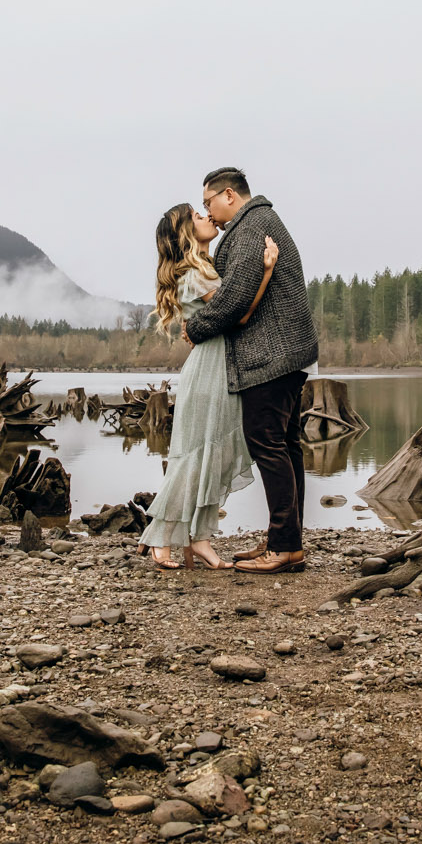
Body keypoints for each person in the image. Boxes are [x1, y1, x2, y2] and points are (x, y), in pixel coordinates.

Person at [180, 166, 319, 574]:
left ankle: (284, 545)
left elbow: (236, 297)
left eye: (208, 203)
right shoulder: (255, 223)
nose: (209, 211)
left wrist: (196, 328)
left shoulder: (251, 226)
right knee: (286, 444)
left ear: (228, 195)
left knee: (269, 444)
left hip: (271, 357)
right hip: (287, 354)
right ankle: (286, 542)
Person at [139, 203, 279, 569]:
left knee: (212, 458)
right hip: (208, 374)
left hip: (222, 370)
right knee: (193, 458)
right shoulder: (192, 276)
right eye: (198, 217)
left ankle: (199, 540)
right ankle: (160, 539)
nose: (207, 217)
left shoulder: (206, 268)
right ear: (186, 232)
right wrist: (265, 272)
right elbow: (241, 313)